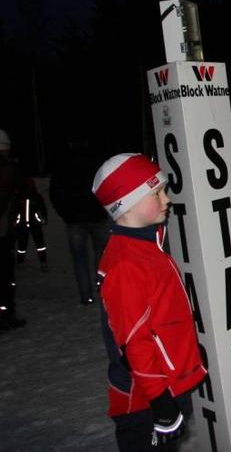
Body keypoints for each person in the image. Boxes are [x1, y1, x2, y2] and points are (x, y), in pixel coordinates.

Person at [92, 153, 207, 450]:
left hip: (168, 387)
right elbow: (134, 343)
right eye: (157, 193)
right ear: (127, 203)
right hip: (146, 403)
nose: (167, 199)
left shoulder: (146, 245)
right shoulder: (126, 263)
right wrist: (161, 403)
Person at [49, 137, 110, 305]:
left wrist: (65, 213)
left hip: (76, 219)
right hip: (95, 217)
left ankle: (86, 295)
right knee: (101, 255)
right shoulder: (95, 163)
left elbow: (54, 193)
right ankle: (101, 288)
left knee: (80, 258)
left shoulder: (63, 165)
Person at [0, 129, 28, 329]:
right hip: (2, 231)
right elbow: (23, 188)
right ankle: (5, 314)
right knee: (4, 275)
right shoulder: (8, 169)